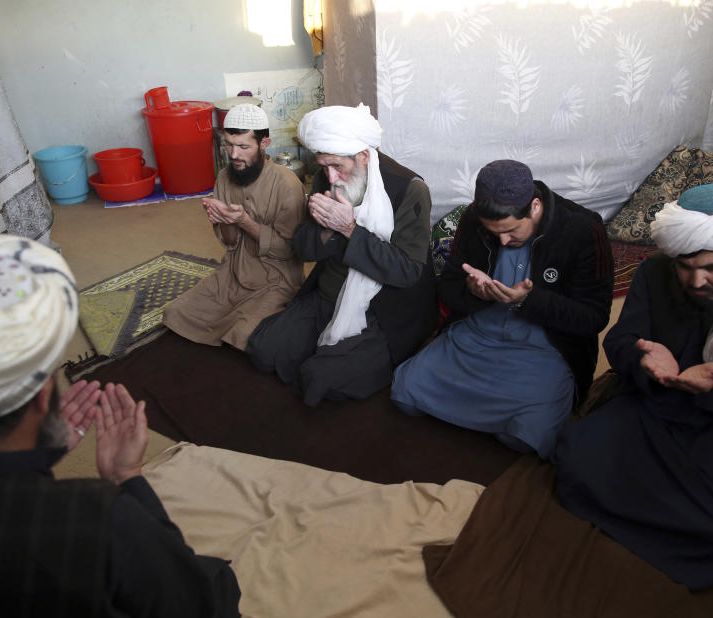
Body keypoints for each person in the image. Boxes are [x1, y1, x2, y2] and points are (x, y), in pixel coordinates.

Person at [0, 233, 241, 618]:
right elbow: (195, 617)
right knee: (218, 581)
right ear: (42, 396)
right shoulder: (101, 521)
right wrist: (127, 479)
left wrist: (36, 458)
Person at [554, 179, 713, 590]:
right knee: (572, 456)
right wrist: (646, 362)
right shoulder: (655, 270)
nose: (696, 282)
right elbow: (620, 341)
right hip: (651, 403)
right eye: (686, 267)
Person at [391, 159, 614, 456]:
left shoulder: (583, 228)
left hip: (544, 348)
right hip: (476, 336)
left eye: (510, 231)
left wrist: (527, 300)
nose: (503, 240)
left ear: (534, 207)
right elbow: (447, 285)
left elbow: (594, 316)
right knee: (404, 394)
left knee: (527, 437)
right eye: (494, 233)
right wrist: (473, 291)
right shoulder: (475, 218)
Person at [246, 104, 435, 406]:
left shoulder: (409, 189)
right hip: (329, 291)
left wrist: (349, 229)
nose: (331, 177)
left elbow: (408, 272)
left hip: (383, 305)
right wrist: (326, 229)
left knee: (320, 380)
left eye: (337, 166)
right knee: (264, 349)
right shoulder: (329, 176)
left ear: (362, 155)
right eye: (324, 166)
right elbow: (303, 246)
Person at [163, 103, 306, 351]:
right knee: (175, 314)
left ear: (264, 144)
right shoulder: (224, 178)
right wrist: (223, 221)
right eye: (229, 145)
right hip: (233, 271)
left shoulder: (287, 184)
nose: (234, 155)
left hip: (276, 278)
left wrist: (244, 222)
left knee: (243, 335)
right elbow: (229, 243)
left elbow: (290, 250)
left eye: (243, 147)